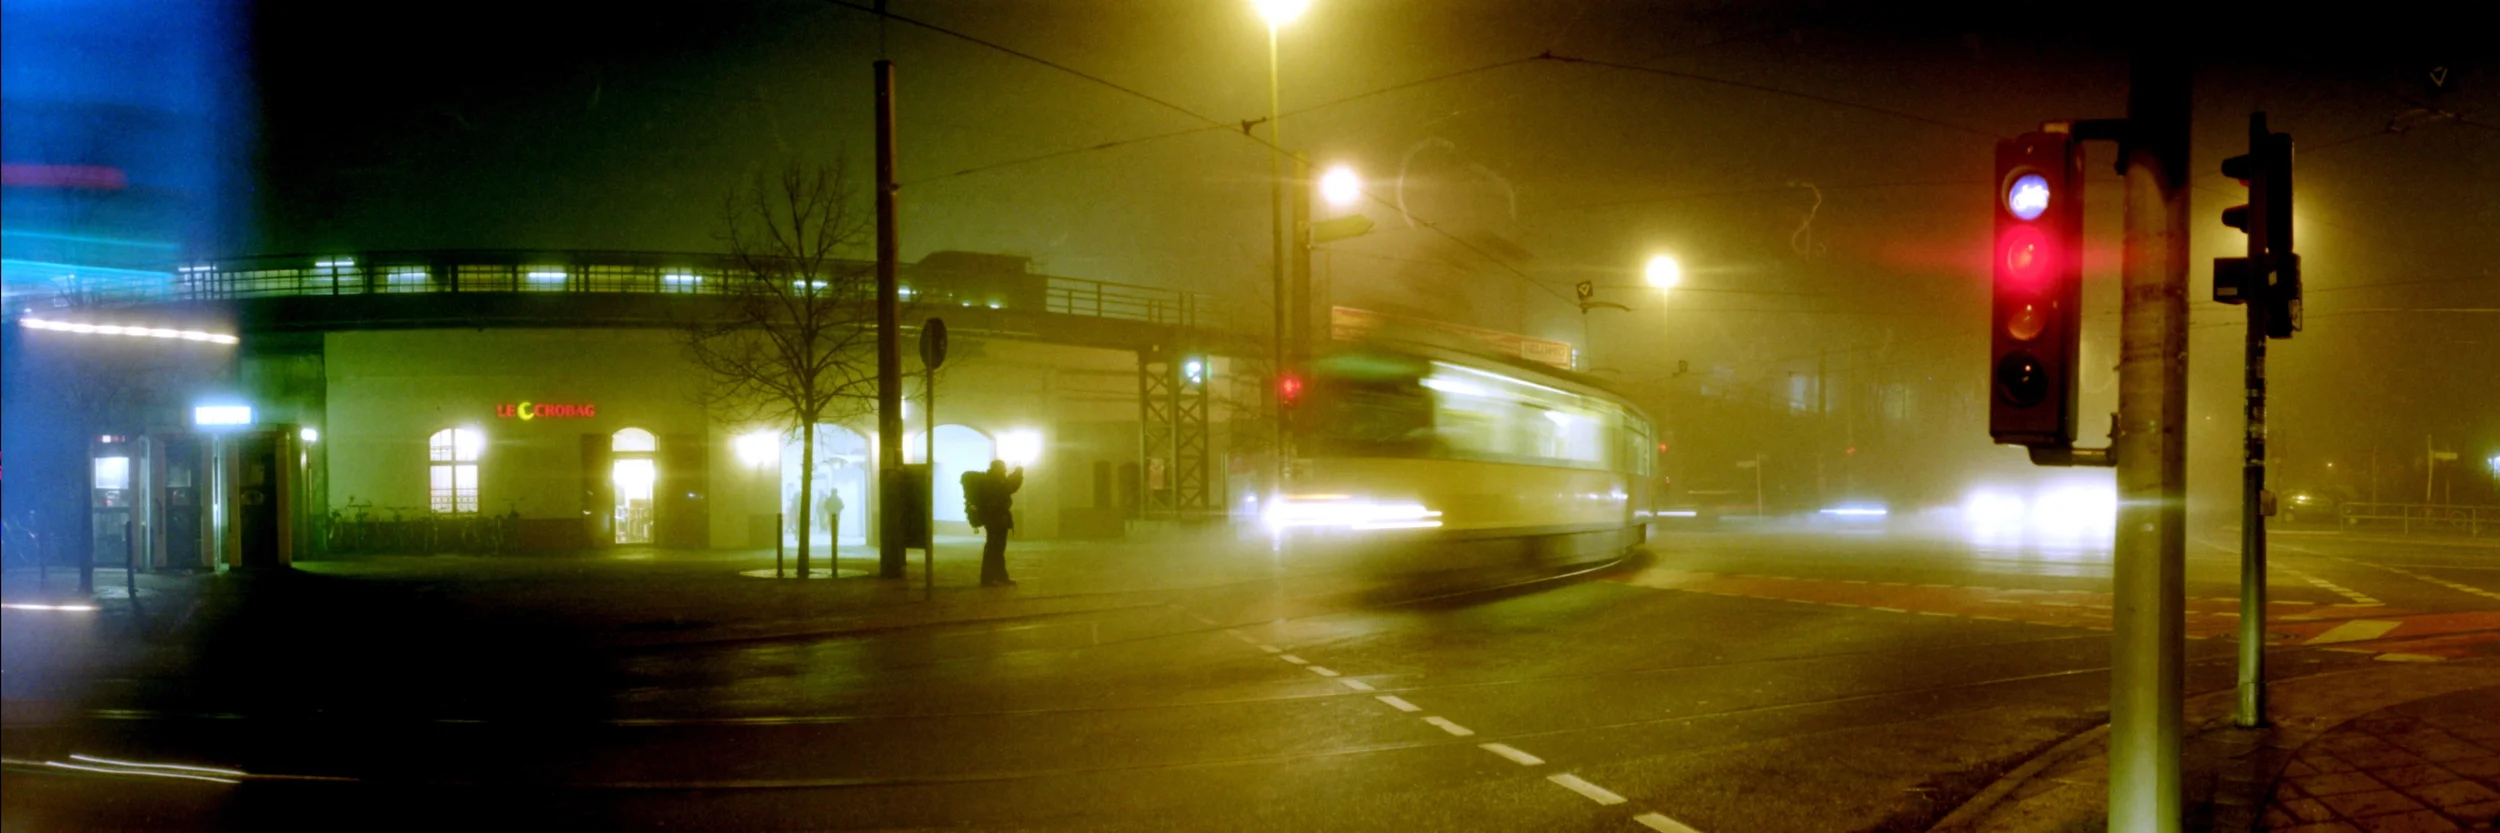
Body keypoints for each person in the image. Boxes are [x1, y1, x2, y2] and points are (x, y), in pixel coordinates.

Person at [971, 459, 1023, 586]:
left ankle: (999, 576)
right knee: (994, 549)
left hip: (996, 519)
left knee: (997, 549)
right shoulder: (993, 481)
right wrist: (1018, 473)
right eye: (1003, 468)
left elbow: (1007, 486)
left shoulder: (993, 480)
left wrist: (1017, 474)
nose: (1005, 470)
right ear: (997, 468)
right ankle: (988, 579)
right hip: (996, 519)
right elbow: (1008, 487)